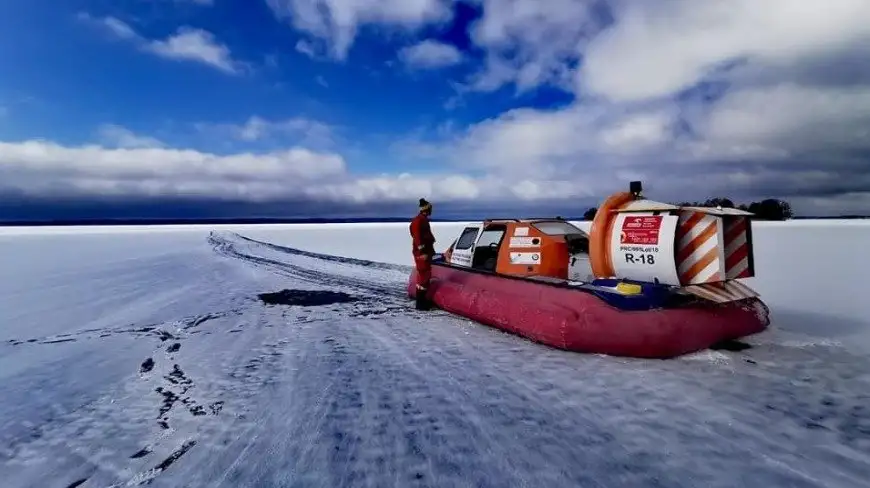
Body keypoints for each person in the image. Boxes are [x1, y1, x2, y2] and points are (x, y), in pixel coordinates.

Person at [409, 198, 436, 310]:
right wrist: (422, 252)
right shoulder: (418, 221)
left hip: (426, 252)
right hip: (422, 254)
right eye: (430, 208)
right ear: (426, 209)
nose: (431, 210)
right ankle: (420, 304)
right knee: (424, 276)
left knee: (425, 276)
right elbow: (418, 238)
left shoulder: (423, 220)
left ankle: (422, 301)